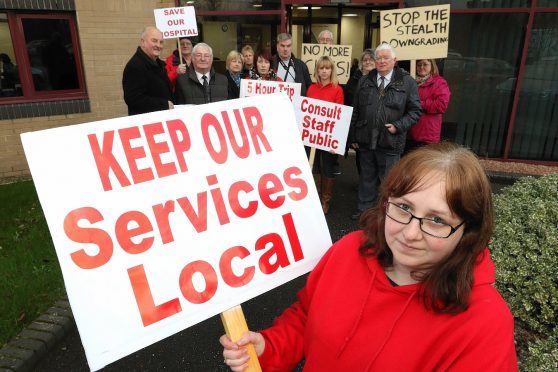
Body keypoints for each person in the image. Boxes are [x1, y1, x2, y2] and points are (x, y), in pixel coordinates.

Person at [220, 142, 518, 372]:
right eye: (403, 207)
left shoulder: (484, 323)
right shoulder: (349, 251)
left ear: (468, 231)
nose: (411, 233)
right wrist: (269, 346)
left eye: (437, 220)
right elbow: (306, 317)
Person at [348, 42, 421, 220]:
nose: (381, 61)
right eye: (378, 58)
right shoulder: (365, 80)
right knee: (366, 179)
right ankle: (364, 213)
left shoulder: (407, 82)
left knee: (389, 183)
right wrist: (353, 136)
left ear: (394, 60)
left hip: (390, 142)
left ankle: (388, 215)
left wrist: (398, 125)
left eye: (385, 58)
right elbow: (355, 109)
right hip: (366, 140)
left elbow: (415, 111)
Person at [307, 56, 344, 215]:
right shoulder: (311, 88)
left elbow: (339, 115)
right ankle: (314, 200)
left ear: (331, 70)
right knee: (313, 167)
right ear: (317, 70)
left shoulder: (337, 89)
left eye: (327, 68)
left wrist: (335, 142)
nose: (324, 71)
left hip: (328, 137)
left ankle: (325, 202)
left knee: (328, 168)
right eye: (321, 68)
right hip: (313, 135)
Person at [122, 26, 174, 115]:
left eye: (161, 42)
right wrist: (164, 104)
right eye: (154, 41)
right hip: (148, 123)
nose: (158, 45)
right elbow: (134, 99)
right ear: (143, 42)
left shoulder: (159, 64)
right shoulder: (135, 66)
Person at [406, 59, 451, 153]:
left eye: (425, 64)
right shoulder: (410, 81)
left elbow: (441, 105)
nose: (421, 67)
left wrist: (418, 104)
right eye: (419, 65)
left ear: (432, 66)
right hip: (409, 132)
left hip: (427, 135)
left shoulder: (439, 82)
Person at [344, 49, 375, 176]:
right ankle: (363, 184)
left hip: (376, 129)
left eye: (370, 59)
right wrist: (351, 135)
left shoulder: (382, 80)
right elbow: (347, 106)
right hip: (358, 128)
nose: (368, 62)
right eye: (365, 60)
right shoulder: (352, 81)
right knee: (361, 160)